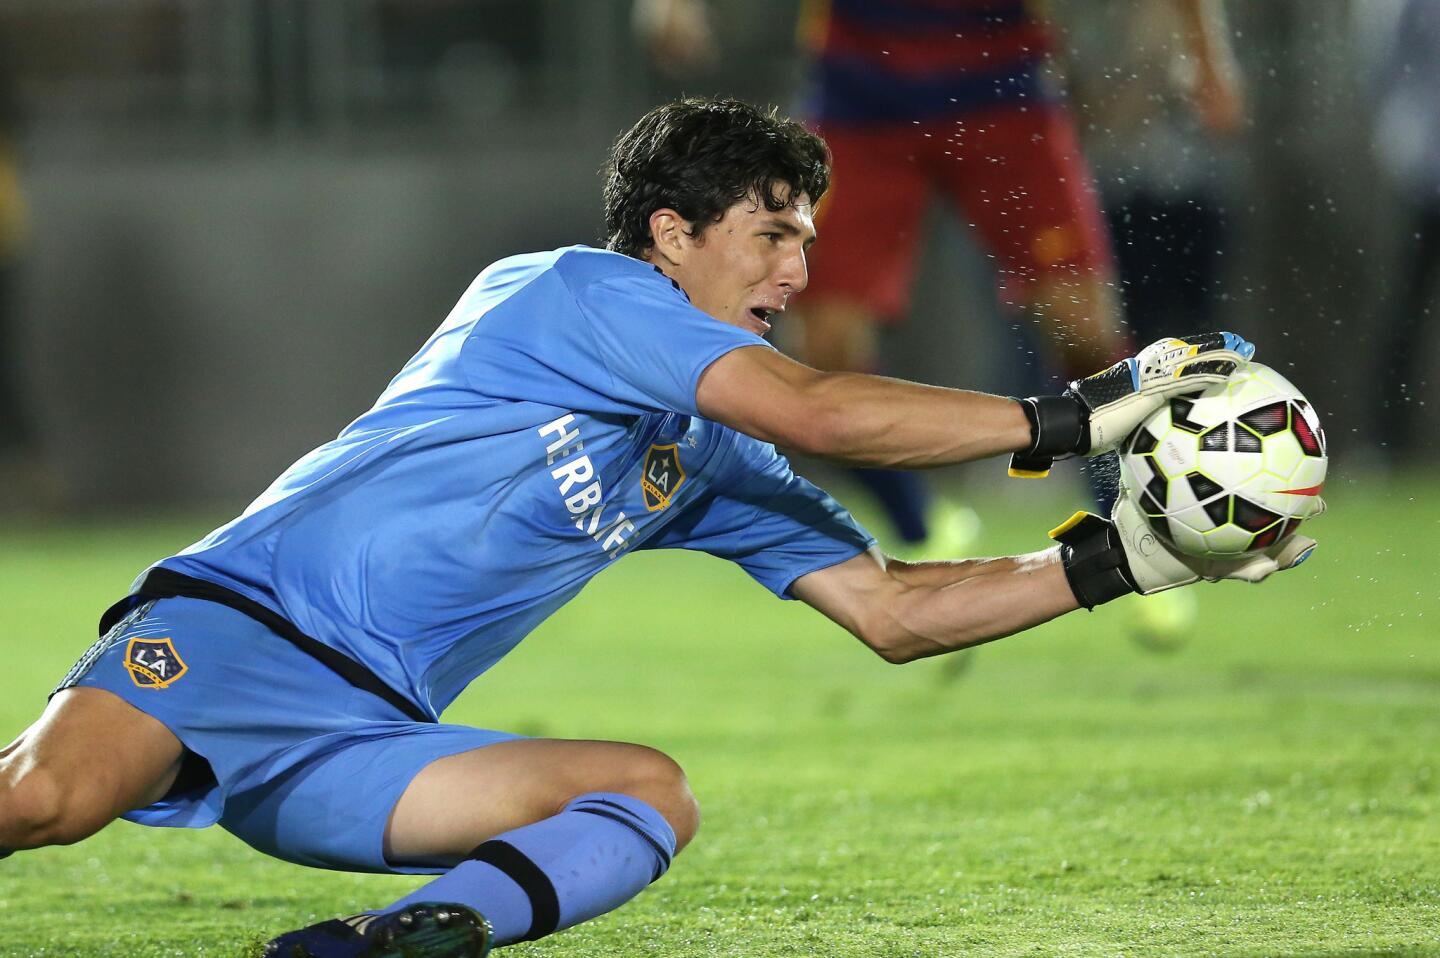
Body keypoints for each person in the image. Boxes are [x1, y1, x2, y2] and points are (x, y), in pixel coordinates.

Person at [0, 97, 1310, 958]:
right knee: (43, 799)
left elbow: (898, 612)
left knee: (648, 792)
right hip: (241, 630)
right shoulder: (576, 291)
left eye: (808, 238)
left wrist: (1123, 558)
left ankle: (384, 941)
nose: (798, 272)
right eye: (771, 234)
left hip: (366, 737)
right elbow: (828, 410)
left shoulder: (708, 458)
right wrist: (1084, 412)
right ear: (671, 236)